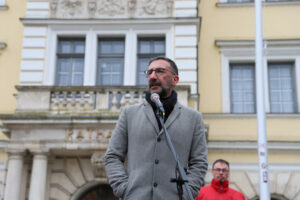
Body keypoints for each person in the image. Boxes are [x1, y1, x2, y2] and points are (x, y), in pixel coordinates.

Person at [104, 56, 208, 200]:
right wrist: (124, 188)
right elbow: (113, 156)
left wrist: (186, 192)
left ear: (175, 79)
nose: (153, 76)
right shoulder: (129, 114)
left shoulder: (193, 118)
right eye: (150, 72)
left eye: (160, 71)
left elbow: (199, 162)